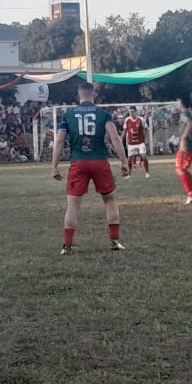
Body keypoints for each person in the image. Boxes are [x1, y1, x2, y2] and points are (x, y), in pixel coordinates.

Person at [51, 82, 129, 255]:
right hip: (99, 161)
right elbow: (115, 138)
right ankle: (115, 241)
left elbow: (59, 141)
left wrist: (54, 165)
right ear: (93, 95)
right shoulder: (103, 114)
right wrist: (124, 161)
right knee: (109, 200)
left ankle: (67, 246)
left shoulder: (69, 114)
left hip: (78, 162)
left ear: (79, 95)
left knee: (73, 204)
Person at [175, 97, 192, 205]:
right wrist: (191, 137)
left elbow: (189, 124)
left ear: (181, 103)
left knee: (180, 169)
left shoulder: (184, 114)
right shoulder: (191, 113)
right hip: (190, 145)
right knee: (182, 169)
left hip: (185, 146)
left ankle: (190, 193)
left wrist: (183, 139)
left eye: (178, 102)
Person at [121, 106, 150, 178]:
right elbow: (125, 131)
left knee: (143, 155)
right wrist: (121, 140)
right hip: (131, 142)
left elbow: (146, 129)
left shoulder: (141, 119)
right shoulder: (127, 120)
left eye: (132, 111)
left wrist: (147, 139)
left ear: (136, 111)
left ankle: (147, 172)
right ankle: (129, 174)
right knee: (130, 158)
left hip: (140, 141)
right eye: (130, 112)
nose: (131, 113)